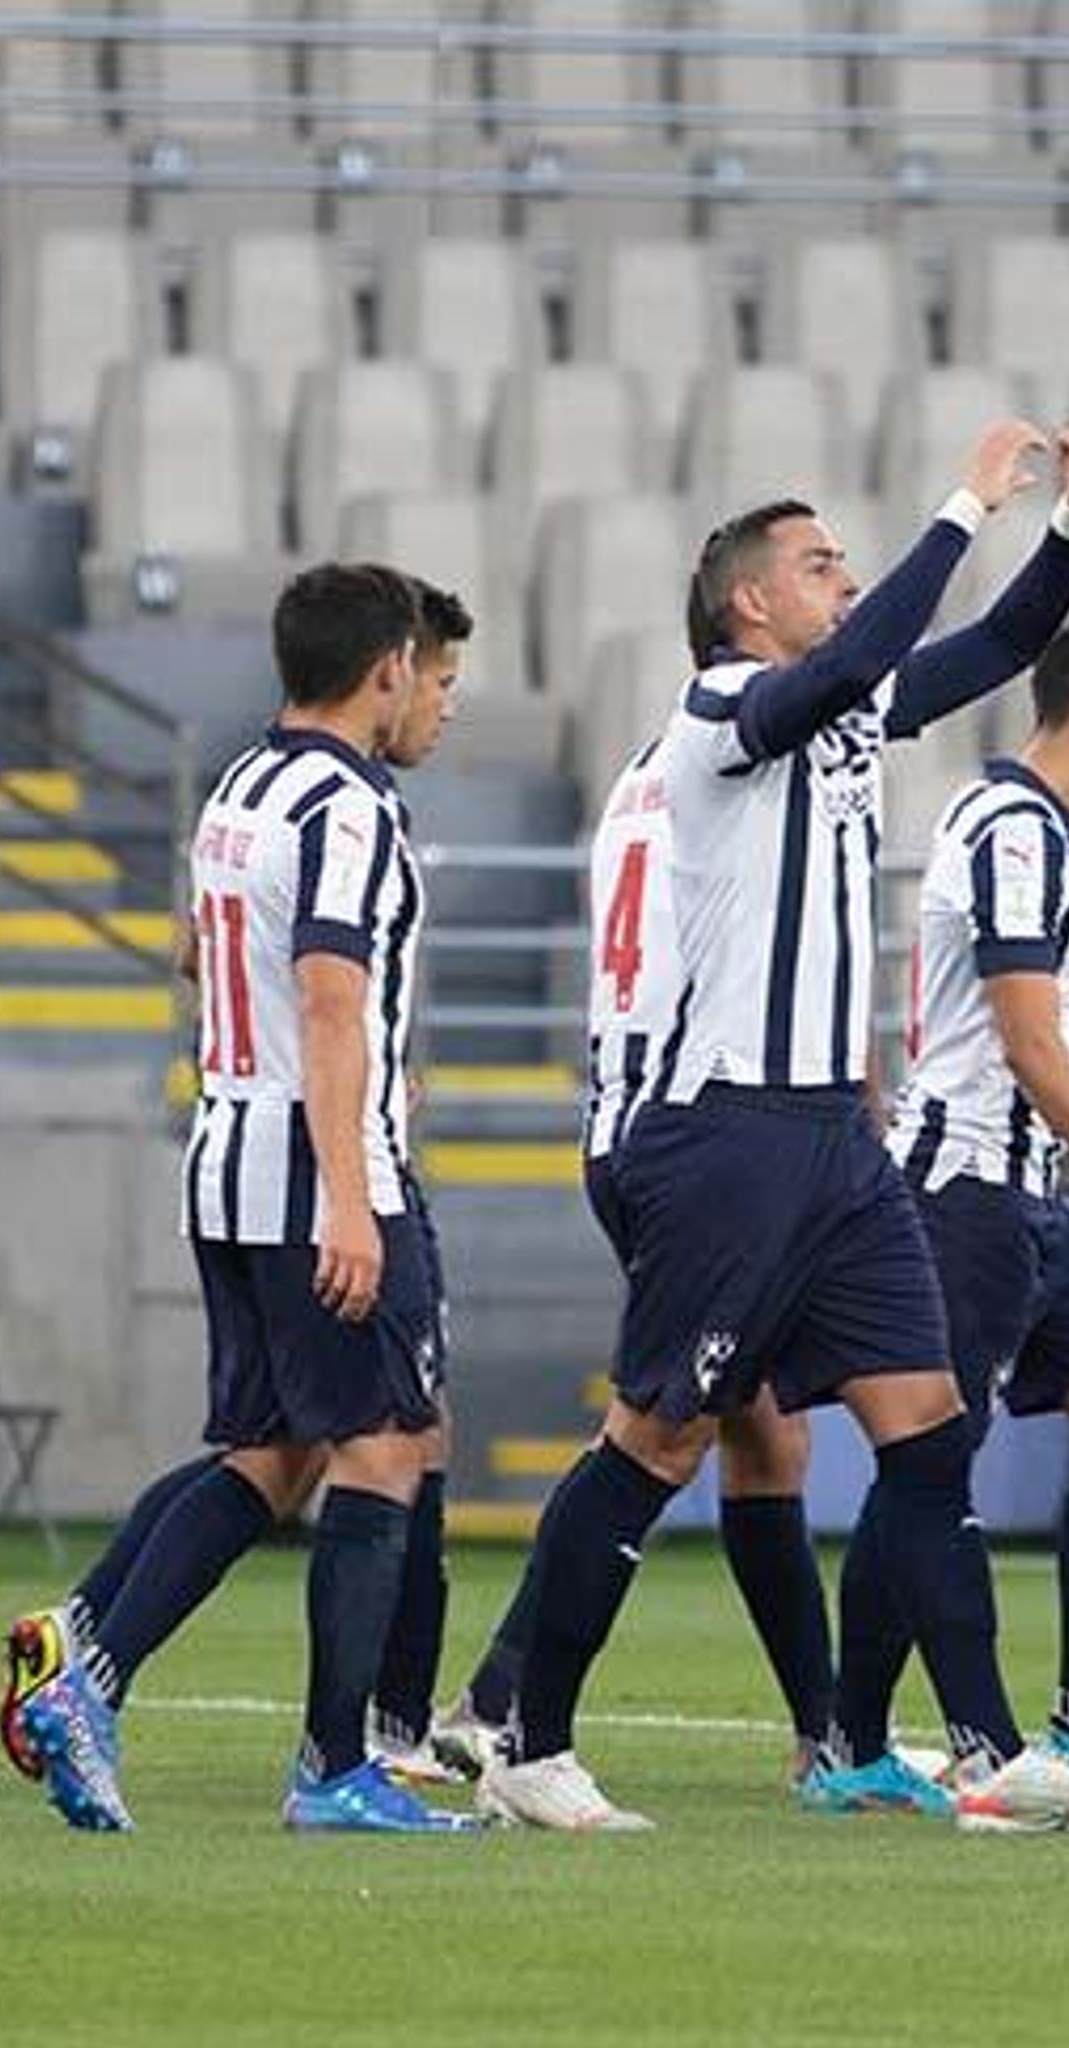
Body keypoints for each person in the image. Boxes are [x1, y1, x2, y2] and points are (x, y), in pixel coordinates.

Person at [470, 417, 1069, 1837]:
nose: (844, 581)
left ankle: (986, 1745)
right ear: (747, 604)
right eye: (818, 563)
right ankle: (523, 1733)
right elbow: (859, 660)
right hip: (727, 1135)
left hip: (835, 1143)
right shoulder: (722, 715)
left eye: (849, 560)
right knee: (656, 1441)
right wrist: (963, 499)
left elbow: (999, 647)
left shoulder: (836, 711)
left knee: (926, 1429)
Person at [0, 564, 470, 1837]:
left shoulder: (240, 788)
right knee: (379, 1448)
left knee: (271, 1452)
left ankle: (85, 1645)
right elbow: (325, 994)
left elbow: (204, 956)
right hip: (317, 1169)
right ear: (386, 671)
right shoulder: (350, 808)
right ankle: (327, 1766)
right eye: (426, 672)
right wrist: (356, 1195)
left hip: (228, 1153)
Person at [828, 613, 1069, 1814]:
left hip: (1025, 1193)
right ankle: (870, 1745)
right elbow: (1029, 1045)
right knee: (928, 1465)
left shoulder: (1037, 830)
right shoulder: (1012, 831)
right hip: (966, 1193)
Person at [413, 690, 839, 1797]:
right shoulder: (737, 772)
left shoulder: (643, 776)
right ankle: (514, 1715)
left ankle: (819, 1730)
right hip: (700, 1134)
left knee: (761, 1442)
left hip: (635, 1116)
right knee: (659, 1436)